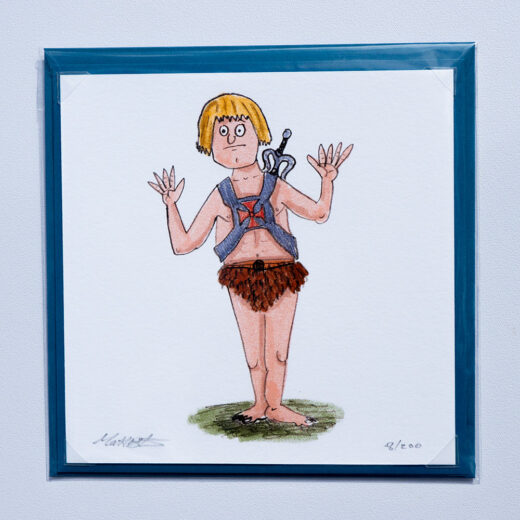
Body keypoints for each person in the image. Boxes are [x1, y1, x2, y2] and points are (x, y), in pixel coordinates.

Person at [148, 93, 353, 426]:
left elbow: (318, 212)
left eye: (240, 129)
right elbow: (184, 244)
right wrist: (171, 205)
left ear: (259, 135)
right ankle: (260, 404)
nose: (232, 140)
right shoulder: (220, 195)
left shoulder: (277, 186)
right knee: (254, 352)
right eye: (222, 133)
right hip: (239, 276)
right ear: (209, 145)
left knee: (278, 351)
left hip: (283, 273)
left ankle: (276, 406)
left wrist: (327, 181)